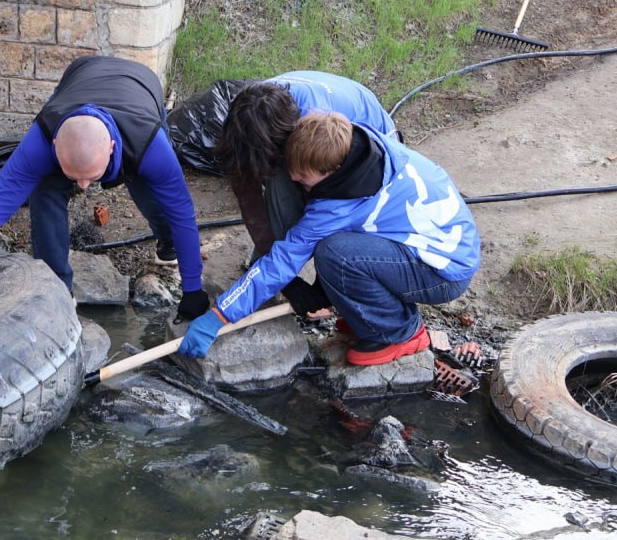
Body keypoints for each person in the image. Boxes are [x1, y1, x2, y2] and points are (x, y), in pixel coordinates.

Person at [179, 111, 480, 365]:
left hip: (443, 271)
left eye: (303, 179)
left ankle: (401, 333)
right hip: (434, 247)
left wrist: (219, 316)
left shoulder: (339, 205)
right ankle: (369, 313)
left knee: (335, 253)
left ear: (332, 170)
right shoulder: (364, 144)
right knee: (341, 251)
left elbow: (282, 262)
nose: (296, 184)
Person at [0, 55, 210, 324]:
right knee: (45, 189)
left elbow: (182, 212)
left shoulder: (150, 146)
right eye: (74, 177)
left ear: (112, 148)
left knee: (147, 185)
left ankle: (167, 244)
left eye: (91, 177)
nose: (83, 187)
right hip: (82, 74)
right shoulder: (41, 139)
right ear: (54, 146)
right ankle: (57, 287)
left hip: (140, 84)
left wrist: (193, 289)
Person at [214, 72, 397, 316]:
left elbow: (332, 213)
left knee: (313, 215)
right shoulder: (248, 113)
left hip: (371, 149)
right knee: (282, 194)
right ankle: (265, 270)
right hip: (304, 131)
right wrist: (275, 265)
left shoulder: (319, 127)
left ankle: (339, 285)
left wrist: (326, 282)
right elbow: (247, 192)